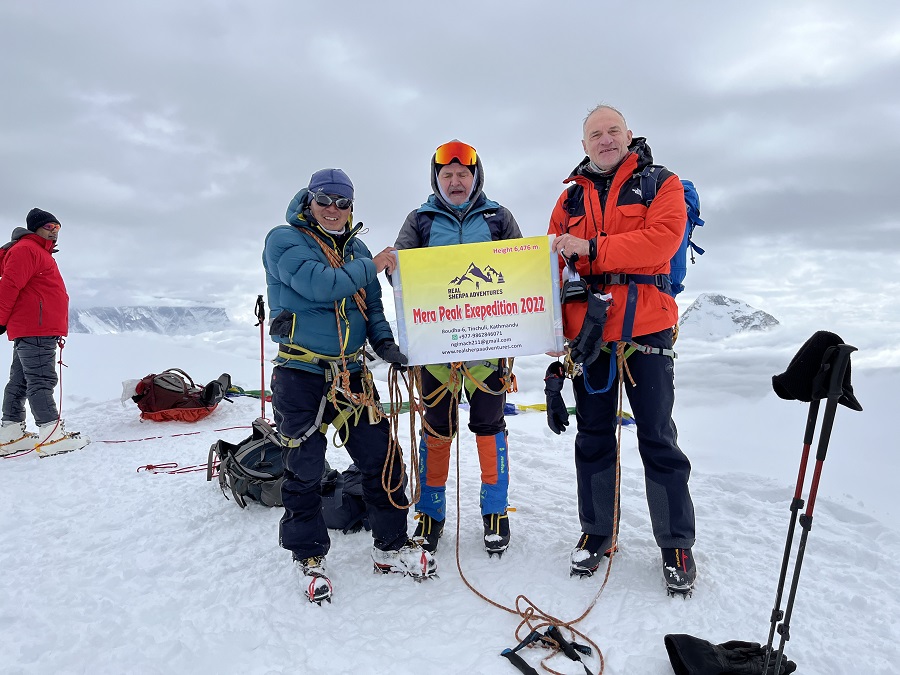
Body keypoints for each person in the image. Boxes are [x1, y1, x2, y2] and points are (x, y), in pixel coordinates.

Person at [263, 168, 435, 604]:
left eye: (343, 203)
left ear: (351, 206)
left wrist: (385, 342)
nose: (334, 210)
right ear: (309, 200)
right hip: (300, 371)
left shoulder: (354, 248)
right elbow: (321, 286)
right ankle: (308, 555)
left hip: (351, 374)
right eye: (325, 200)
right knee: (303, 466)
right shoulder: (283, 240)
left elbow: (371, 305)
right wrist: (374, 264)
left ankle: (390, 547)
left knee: (381, 457)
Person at [545, 105, 697, 594]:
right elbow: (549, 268)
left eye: (613, 131)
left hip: (647, 329)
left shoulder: (662, 184)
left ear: (628, 135)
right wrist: (549, 333)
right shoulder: (568, 201)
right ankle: (597, 532)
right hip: (589, 335)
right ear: (584, 145)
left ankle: (676, 544)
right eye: (595, 134)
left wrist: (592, 250)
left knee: (656, 435)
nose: (605, 139)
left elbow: (660, 244)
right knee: (592, 436)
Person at [394, 140, 522, 556]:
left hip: (487, 347)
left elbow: (520, 271)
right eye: (446, 175)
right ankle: (430, 513)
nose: (455, 181)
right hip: (437, 347)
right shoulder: (420, 220)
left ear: (475, 177)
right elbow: (400, 281)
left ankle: (495, 512)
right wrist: (395, 265)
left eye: (462, 174)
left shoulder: (498, 218)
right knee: (437, 427)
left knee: (489, 426)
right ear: (436, 180)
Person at [0, 208, 89, 457]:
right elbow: (9, 285)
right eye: (48, 227)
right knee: (41, 380)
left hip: (33, 328)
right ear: (34, 228)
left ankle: (10, 434)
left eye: (57, 228)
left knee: (21, 380)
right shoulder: (27, 250)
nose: (54, 232)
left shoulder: (36, 252)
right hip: (36, 328)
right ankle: (51, 436)